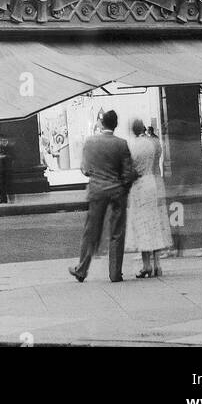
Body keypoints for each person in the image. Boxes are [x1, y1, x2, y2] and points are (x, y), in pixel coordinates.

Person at [69, 109, 136, 283]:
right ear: (115, 125)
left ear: (101, 123)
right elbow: (128, 173)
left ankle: (82, 269)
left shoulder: (90, 142)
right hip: (117, 191)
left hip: (97, 191)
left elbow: (85, 169)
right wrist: (123, 188)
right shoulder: (122, 144)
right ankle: (115, 273)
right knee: (117, 232)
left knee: (91, 231)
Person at [125, 119, 173, 279]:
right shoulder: (153, 143)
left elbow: (129, 167)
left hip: (139, 185)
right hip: (153, 182)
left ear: (133, 129)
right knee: (154, 222)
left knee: (142, 223)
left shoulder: (132, 145)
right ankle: (157, 264)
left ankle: (146, 265)